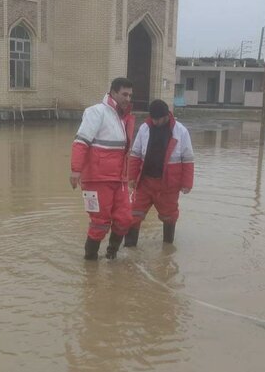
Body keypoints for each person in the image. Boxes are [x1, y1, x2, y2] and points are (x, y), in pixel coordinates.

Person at [70, 78, 135, 260]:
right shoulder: (96, 112)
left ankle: (111, 255)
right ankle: (90, 264)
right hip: (97, 179)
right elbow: (80, 142)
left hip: (119, 179)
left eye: (130, 95)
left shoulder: (124, 117)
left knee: (125, 219)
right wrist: (76, 170)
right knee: (100, 223)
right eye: (124, 94)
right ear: (113, 92)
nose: (127, 98)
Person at [125, 99, 194, 247]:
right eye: (153, 119)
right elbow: (135, 154)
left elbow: (188, 158)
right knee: (133, 215)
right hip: (144, 182)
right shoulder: (144, 128)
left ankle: (167, 249)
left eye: (159, 119)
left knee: (169, 217)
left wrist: (187, 183)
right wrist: (131, 177)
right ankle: (129, 248)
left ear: (167, 116)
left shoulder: (180, 131)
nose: (155, 122)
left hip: (168, 185)